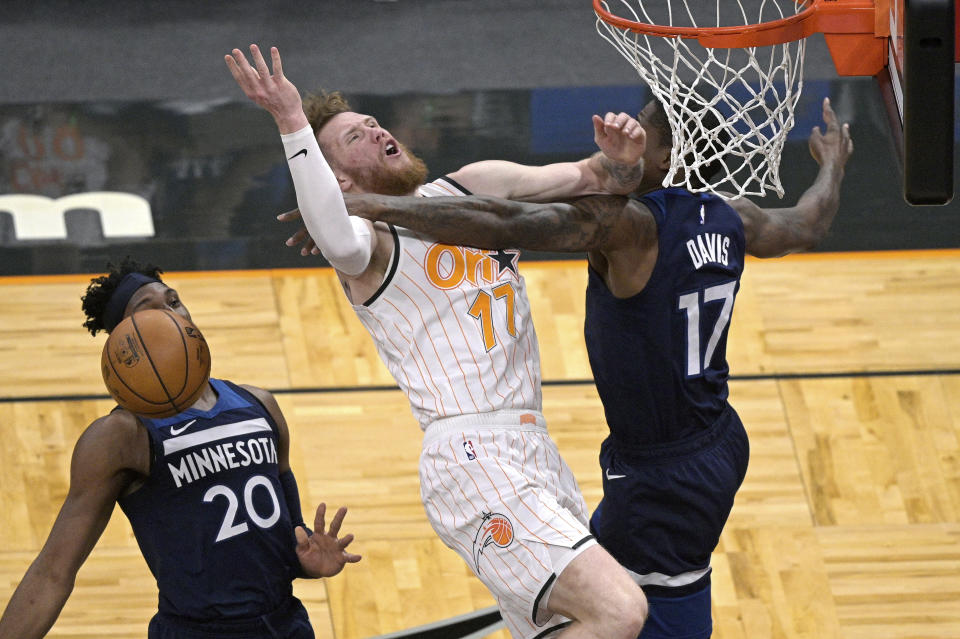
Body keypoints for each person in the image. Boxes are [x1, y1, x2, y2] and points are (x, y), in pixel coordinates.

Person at [342, 96, 854, 639]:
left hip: (661, 470)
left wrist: (378, 207)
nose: (623, 146)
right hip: (719, 438)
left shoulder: (631, 228)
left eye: (642, 140)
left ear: (661, 162)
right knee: (600, 583)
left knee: (633, 616)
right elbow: (807, 223)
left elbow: (504, 220)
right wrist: (833, 166)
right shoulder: (734, 216)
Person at [225, 44, 649, 639]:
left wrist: (624, 160)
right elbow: (335, 235)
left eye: (373, 124)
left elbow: (597, 181)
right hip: (470, 457)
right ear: (339, 178)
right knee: (620, 611)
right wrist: (291, 118)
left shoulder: (472, 185)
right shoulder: (369, 245)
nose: (376, 132)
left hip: (536, 451)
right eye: (354, 138)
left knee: (570, 627)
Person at [0, 257, 361, 639]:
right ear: (123, 340)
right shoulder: (120, 436)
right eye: (149, 309)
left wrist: (308, 562)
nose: (170, 313)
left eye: (173, 301)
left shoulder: (259, 404)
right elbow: (53, 572)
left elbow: (291, 539)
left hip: (286, 624)